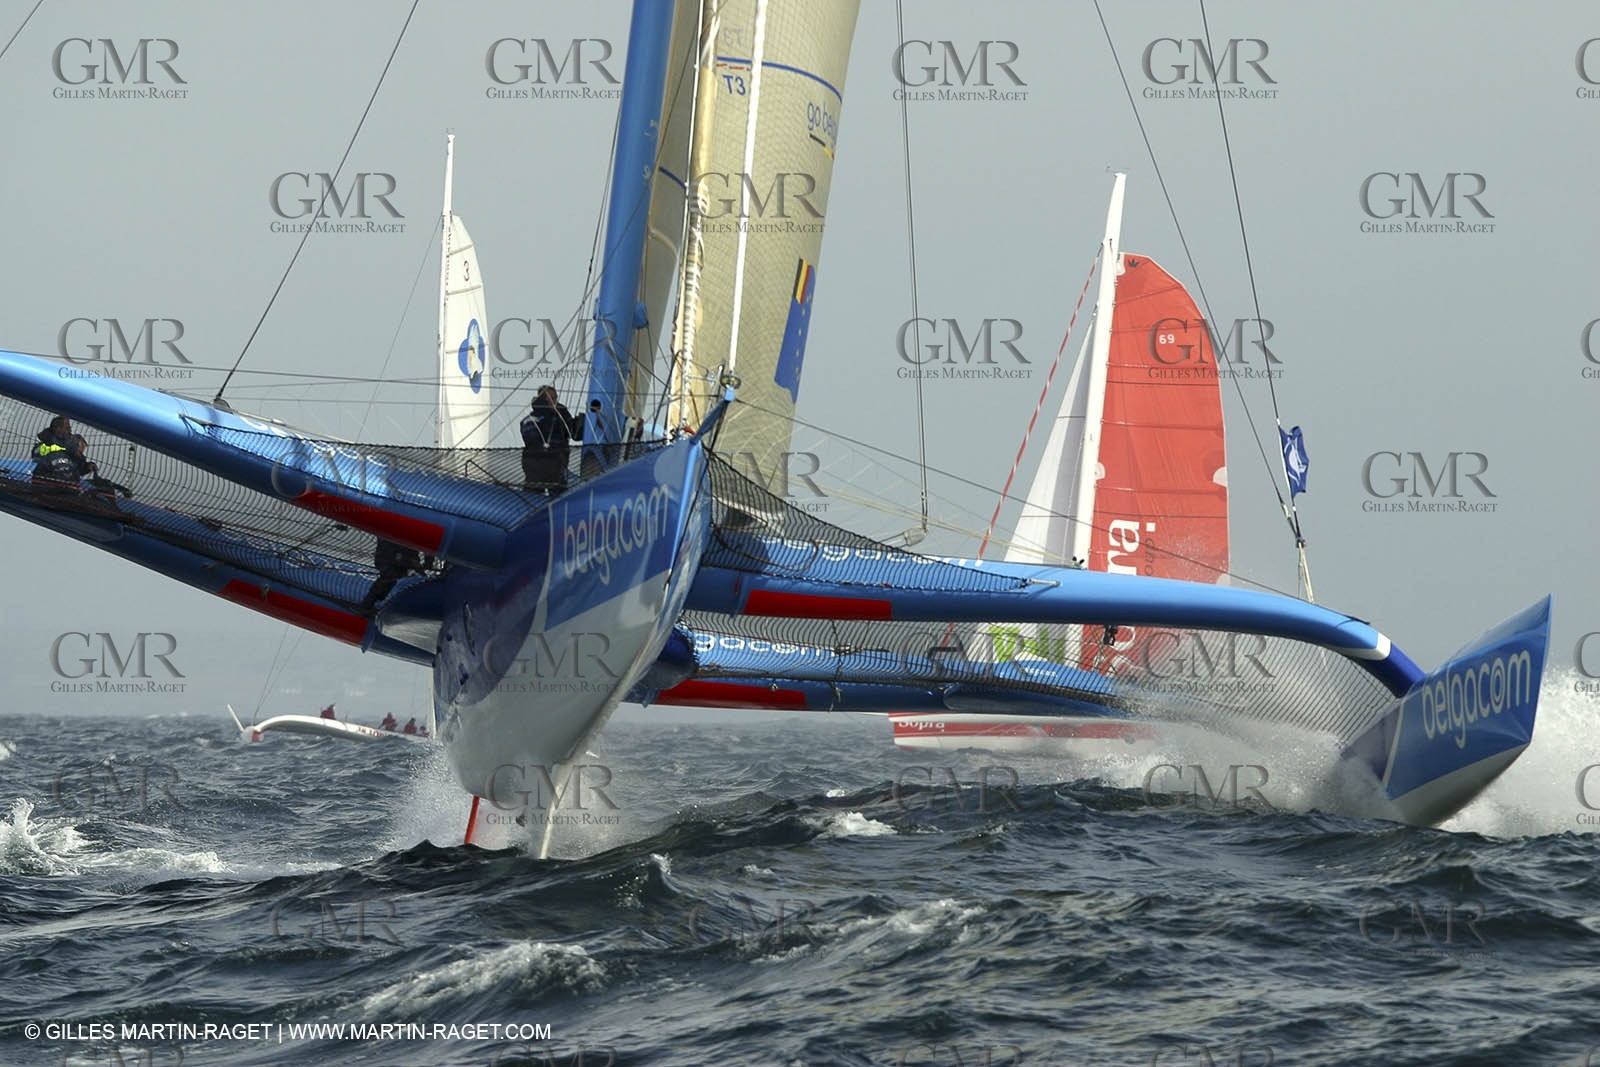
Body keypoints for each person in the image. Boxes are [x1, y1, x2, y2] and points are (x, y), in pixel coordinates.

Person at [520, 385, 577, 495]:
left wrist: (583, 423)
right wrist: (545, 448)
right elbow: (530, 437)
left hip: (558, 463)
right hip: (538, 464)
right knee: (533, 492)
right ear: (543, 399)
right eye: (552, 398)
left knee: (560, 493)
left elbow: (574, 432)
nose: (555, 401)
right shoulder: (533, 418)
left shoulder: (562, 415)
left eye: (556, 398)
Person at [360, 538, 429, 612]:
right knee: (387, 578)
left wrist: (427, 562)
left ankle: (369, 605)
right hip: (389, 558)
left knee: (391, 580)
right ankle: (366, 606)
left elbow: (427, 543)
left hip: (405, 559)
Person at [32, 416, 97, 485]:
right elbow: (64, 474)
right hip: (52, 490)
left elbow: (70, 467)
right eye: (67, 428)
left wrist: (86, 467)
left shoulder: (62, 448)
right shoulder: (56, 450)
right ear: (57, 429)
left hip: (44, 485)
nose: (70, 431)